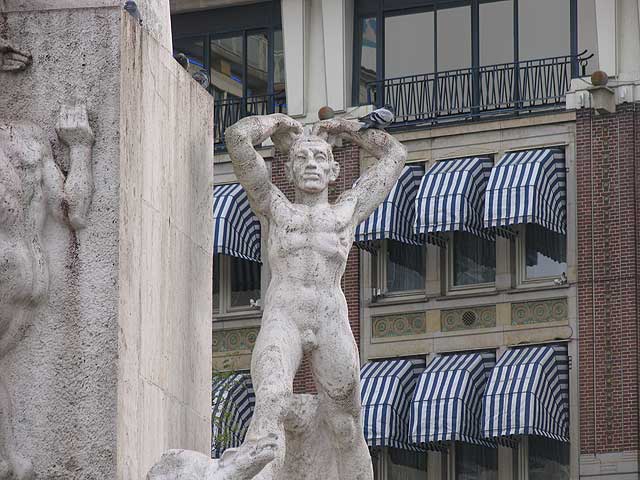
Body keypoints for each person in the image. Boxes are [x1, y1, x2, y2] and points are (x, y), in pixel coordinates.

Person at [221, 113, 407, 479]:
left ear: (334, 171)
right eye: (302, 158)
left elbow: (395, 155)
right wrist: (277, 122)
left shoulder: (346, 211)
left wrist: (347, 127)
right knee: (272, 397)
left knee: (345, 423)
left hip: (329, 318)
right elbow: (237, 137)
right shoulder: (274, 206)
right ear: (288, 171)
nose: (311, 164)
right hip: (285, 316)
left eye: (320, 157)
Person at [0, 105, 94, 480]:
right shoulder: (30, 139)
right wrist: (81, 147)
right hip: (30, 272)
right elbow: (73, 211)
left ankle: (9, 458)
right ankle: (10, 458)